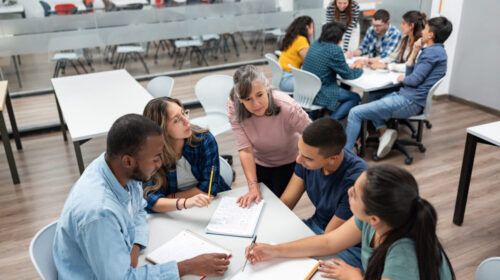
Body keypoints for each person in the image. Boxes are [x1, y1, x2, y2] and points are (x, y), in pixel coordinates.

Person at [53, 114, 230, 279]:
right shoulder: (99, 213)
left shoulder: (117, 167)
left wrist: (135, 249)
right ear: (128, 161)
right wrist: (186, 267)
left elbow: (139, 210)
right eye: (155, 158)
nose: (160, 164)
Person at [245, 164, 455, 280]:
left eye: (354, 194)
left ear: (374, 217)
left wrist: (355, 277)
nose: (348, 191)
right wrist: (275, 250)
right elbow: (328, 242)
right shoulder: (374, 219)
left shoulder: (404, 256)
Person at [345, 16, 452, 158]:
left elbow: (413, 80)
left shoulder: (431, 54)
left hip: (410, 101)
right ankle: (383, 133)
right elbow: (412, 75)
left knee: (355, 112)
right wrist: (414, 52)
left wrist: (405, 78)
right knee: (371, 98)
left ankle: (345, 156)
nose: (423, 31)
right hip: (410, 97)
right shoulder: (437, 51)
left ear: (431, 34)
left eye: (425, 29)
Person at [280, 118, 367, 268]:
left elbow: (329, 238)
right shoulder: (306, 158)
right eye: (299, 151)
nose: (298, 159)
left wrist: (281, 250)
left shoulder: (356, 181)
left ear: (333, 159)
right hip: (317, 226)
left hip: (344, 243)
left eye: (307, 157)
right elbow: (287, 201)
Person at [227, 65, 311, 207]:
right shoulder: (233, 107)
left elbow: (313, 135)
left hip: (290, 161)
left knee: (279, 207)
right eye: (248, 99)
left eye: (259, 95)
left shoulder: (287, 106)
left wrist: (305, 160)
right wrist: (253, 186)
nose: (256, 104)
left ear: (267, 88)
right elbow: (245, 150)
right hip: (260, 161)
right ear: (239, 99)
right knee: (260, 204)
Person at [142, 97, 230, 213]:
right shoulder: (151, 153)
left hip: (212, 204)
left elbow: (208, 190)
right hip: (174, 212)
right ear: (162, 130)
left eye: (184, 113)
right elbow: (150, 201)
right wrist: (185, 202)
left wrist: (170, 198)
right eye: (176, 120)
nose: (186, 121)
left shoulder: (204, 139)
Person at [302, 22, 363, 120]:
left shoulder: (315, 43)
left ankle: (324, 117)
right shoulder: (334, 49)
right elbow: (348, 75)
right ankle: (330, 122)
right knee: (355, 97)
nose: (342, 39)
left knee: (344, 88)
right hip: (321, 92)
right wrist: (359, 67)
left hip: (307, 90)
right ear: (337, 37)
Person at [278, 16, 315, 92]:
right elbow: (311, 61)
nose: (314, 30)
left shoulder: (293, 37)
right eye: (312, 27)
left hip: (282, 77)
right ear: (307, 27)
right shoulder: (301, 40)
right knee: (318, 84)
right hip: (288, 80)